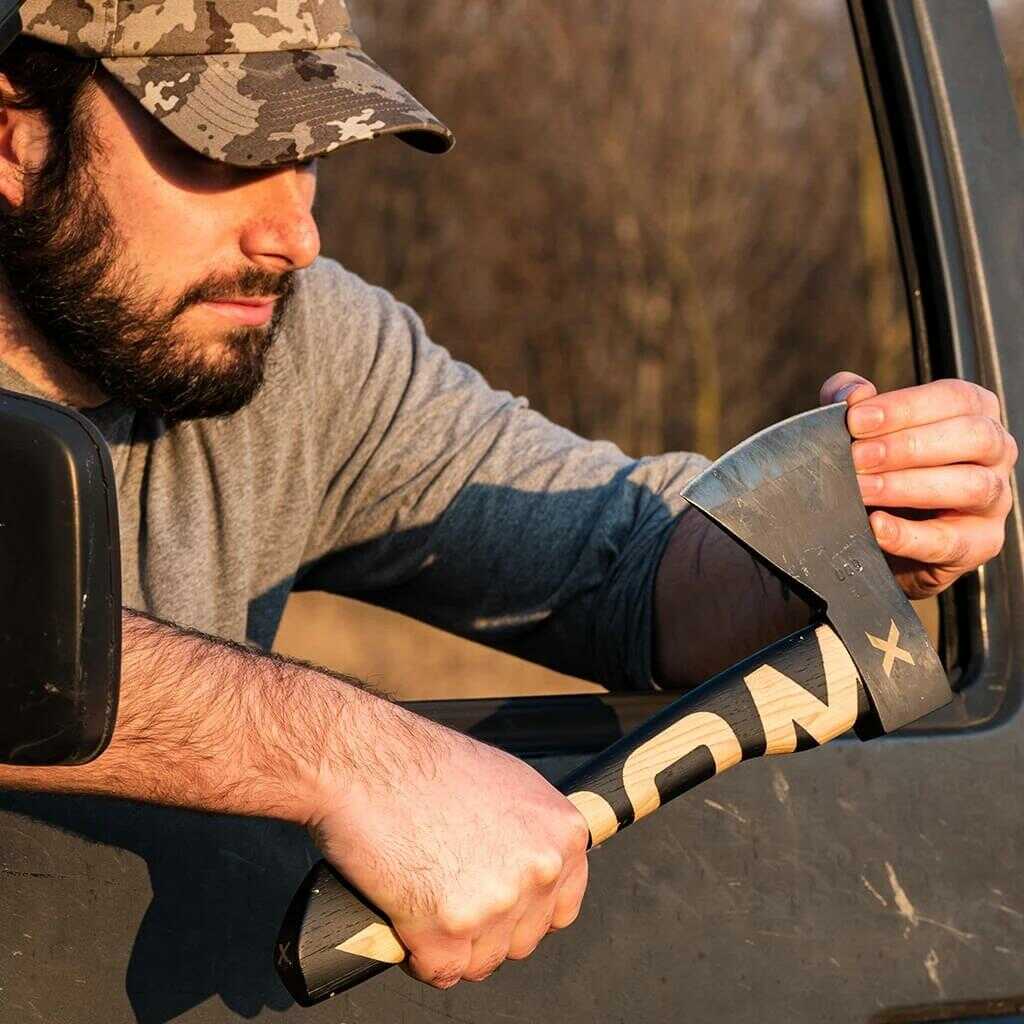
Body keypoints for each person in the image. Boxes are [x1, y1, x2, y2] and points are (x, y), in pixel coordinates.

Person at [0, 0, 1016, 992]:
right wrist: (342, 752)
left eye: (307, 154)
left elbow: (628, 571)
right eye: (225, 153)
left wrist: (843, 523)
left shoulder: (293, 346)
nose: (293, 236)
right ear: (14, 136)